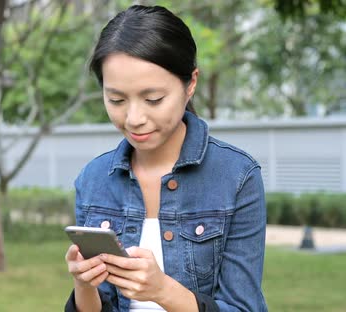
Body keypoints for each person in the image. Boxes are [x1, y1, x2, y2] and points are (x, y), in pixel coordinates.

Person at [64, 5, 267, 312]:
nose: (134, 118)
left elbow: (244, 307)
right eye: (116, 99)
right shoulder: (93, 180)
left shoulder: (237, 177)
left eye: (153, 99)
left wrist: (163, 291)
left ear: (191, 84)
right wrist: (84, 284)